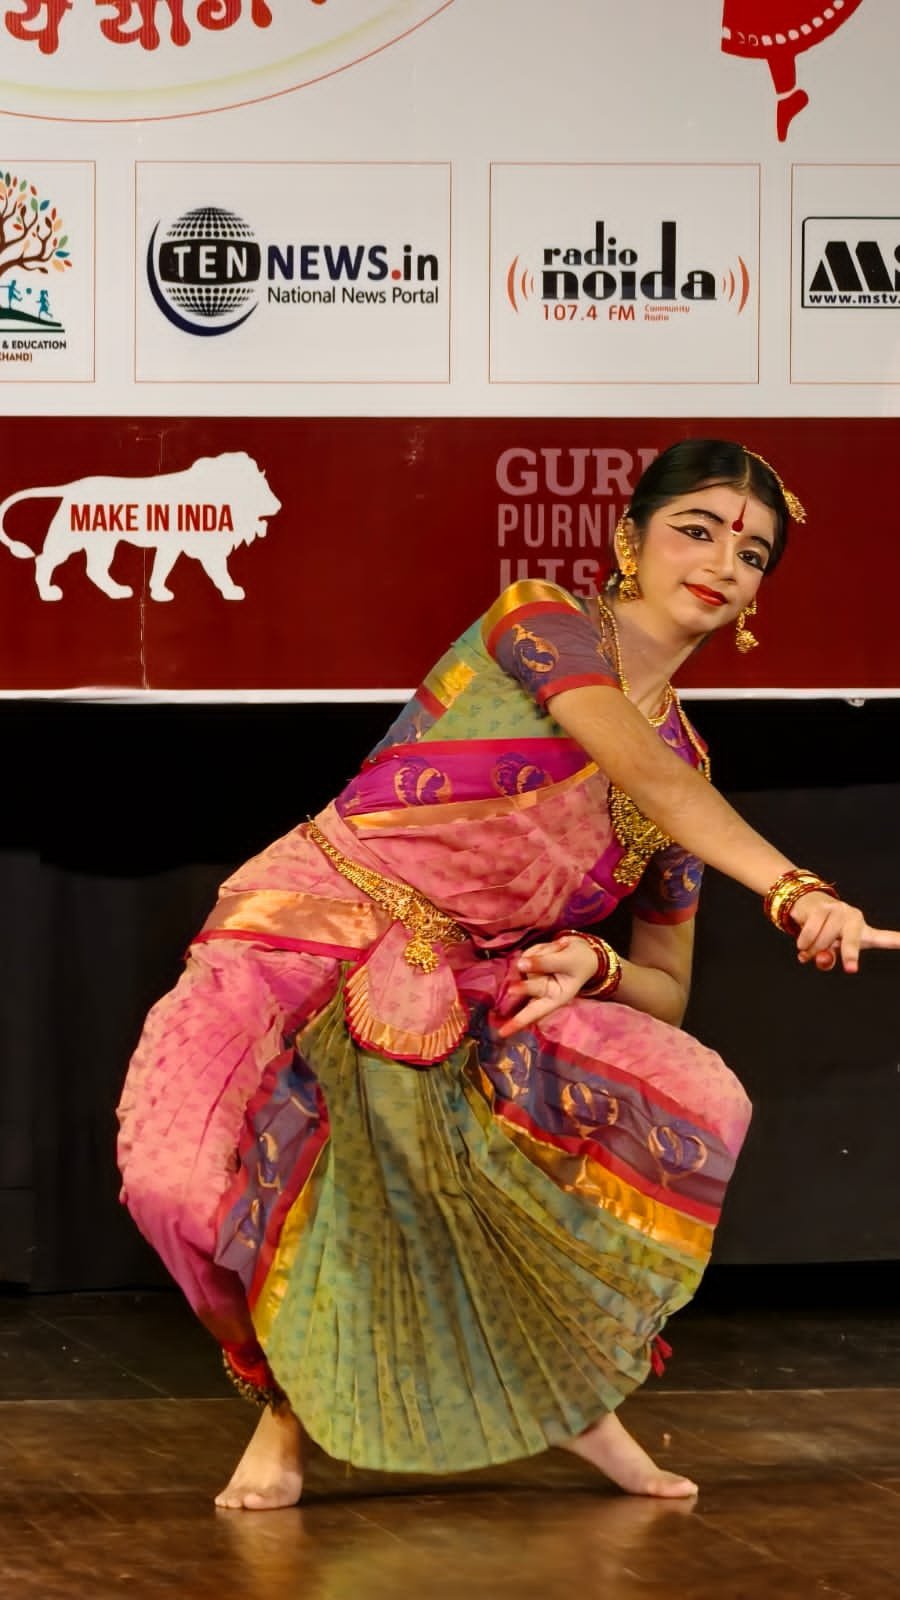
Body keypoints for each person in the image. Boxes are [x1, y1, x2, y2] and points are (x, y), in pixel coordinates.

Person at [117, 438, 900, 1512]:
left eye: (754, 552)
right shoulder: (540, 620)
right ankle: (288, 1404)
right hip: (298, 939)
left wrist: (598, 960)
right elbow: (641, 771)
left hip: (468, 990)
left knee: (698, 1095)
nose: (724, 562)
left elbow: (667, 985)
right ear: (628, 540)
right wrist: (796, 891)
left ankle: (569, 1401)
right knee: (174, 1187)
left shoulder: (690, 770)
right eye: (698, 530)